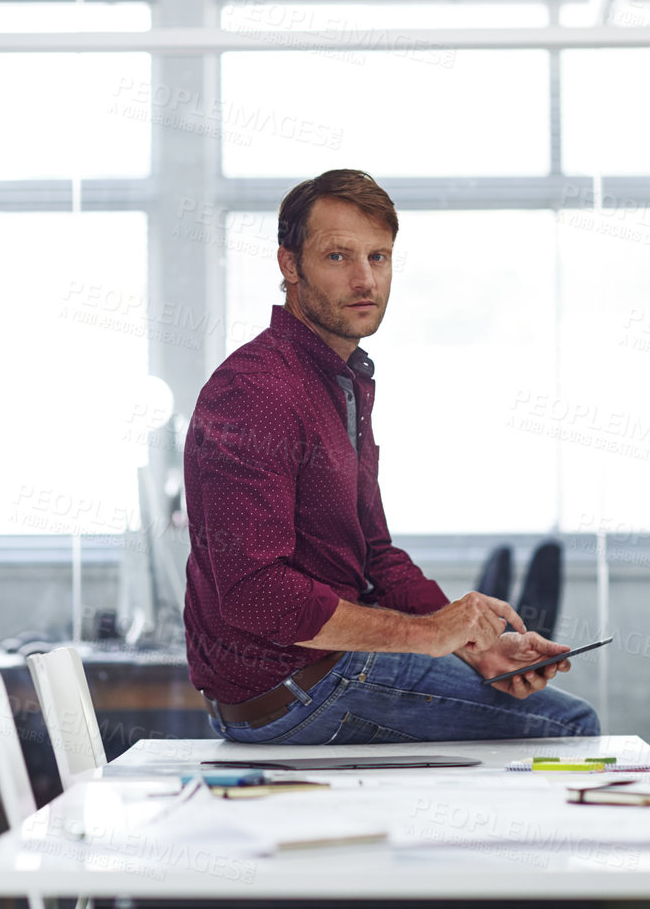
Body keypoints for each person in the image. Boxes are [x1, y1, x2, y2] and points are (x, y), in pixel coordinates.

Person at [183, 169, 600, 745]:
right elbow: (257, 593)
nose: (364, 279)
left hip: (321, 676)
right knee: (571, 726)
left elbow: (375, 557)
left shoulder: (338, 383)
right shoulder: (257, 390)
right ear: (288, 265)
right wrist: (431, 636)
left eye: (379, 257)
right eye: (337, 256)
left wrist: (473, 643)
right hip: (297, 689)